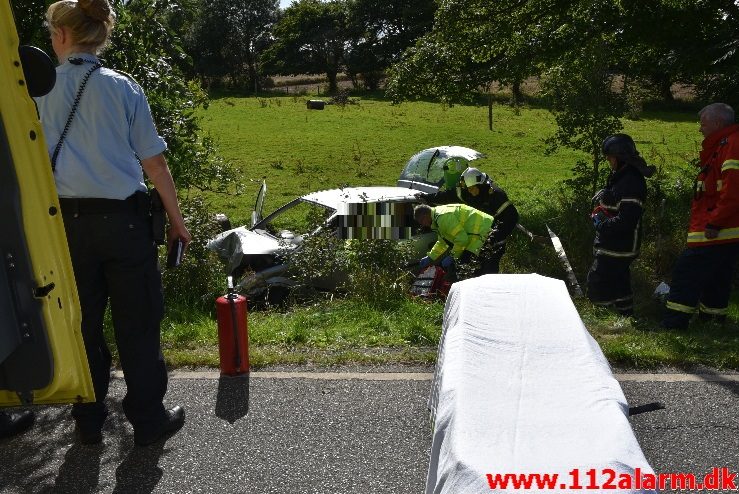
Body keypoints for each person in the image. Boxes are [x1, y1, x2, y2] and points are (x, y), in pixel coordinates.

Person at [36, 0, 191, 445]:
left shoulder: (37, 91)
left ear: (63, 36)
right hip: (124, 225)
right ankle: (147, 419)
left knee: (81, 323)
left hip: (64, 228)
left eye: (52, 33)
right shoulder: (123, 88)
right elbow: (155, 165)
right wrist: (177, 222)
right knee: (138, 322)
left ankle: (87, 417)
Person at [662, 103, 739, 329]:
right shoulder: (725, 143)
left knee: (686, 274)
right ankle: (712, 323)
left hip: (716, 228)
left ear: (717, 123)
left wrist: (715, 222)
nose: (700, 129)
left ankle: (674, 324)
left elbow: (733, 190)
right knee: (717, 278)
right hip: (723, 228)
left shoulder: (732, 144)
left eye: (703, 124)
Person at [587, 134, 655, 316]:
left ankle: (601, 319)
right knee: (619, 282)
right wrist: (603, 202)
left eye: (610, 158)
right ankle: (624, 315)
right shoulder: (621, 176)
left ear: (619, 157)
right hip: (615, 242)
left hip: (619, 245)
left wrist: (601, 223)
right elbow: (616, 203)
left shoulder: (631, 182)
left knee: (598, 280)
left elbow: (627, 220)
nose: (608, 161)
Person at [421, 167, 519, 274]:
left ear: (480, 185)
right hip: (475, 242)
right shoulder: (468, 190)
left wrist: (493, 237)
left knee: (489, 273)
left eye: (472, 189)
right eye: (468, 189)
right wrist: (427, 197)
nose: (470, 192)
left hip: (493, 243)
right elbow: (447, 195)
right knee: (471, 272)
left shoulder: (496, 196)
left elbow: (512, 217)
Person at [413, 203, 495, 277]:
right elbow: (442, 242)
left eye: (421, 222)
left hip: (484, 232)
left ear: (425, 216)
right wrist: (431, 257)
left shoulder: (442, 218)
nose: (422, 225)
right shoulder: (437, 218)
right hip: (479, 233)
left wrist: (452, 256)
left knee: (478, 273)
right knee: (468, 270)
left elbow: (461, 239)